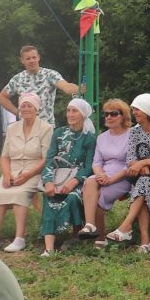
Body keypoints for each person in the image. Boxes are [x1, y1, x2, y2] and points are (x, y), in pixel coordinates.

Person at [101, 94, 150, 252]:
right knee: (142, 186)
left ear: (148, 110)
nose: (134, 112)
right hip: (144, 179)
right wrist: (139, 165)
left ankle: (128, 229)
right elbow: (130, 158)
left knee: (142, 186)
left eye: (138, 109)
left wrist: (142, 163)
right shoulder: (135, 132)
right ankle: (143, 242)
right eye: (133, 109)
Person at [0, 93, 51, 252]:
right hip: (13, 169)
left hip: (34, 170)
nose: (26, 109)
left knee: (19, 195)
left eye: (30, 106)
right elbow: (4, 156)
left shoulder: (46, 128)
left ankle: (19, 238)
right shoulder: (12, 128)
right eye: (23, 106)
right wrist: (7, 174)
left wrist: (27, 176)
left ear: (37, 109)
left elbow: (45, 159)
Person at [36, 98, 97, 255]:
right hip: (57, 178)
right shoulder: (59, 133)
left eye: (74, 111)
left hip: (78, 180)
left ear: (83, 114)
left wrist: (74, 181)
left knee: (71, 197)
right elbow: (49, 159)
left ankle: (76, 234)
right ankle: (49, 248)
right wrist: (48, 181)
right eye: (68, 110)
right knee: (49, 196)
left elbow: (89, 165)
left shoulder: (89, 138)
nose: (70, 114)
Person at [79, 98, 133, 240]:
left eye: (114, 113)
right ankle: (90, 225)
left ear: (123, 116)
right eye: (106, 114)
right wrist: (100, 175)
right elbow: (96, 161)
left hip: (122, 176)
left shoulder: (132, 135)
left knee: (97, 198)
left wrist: (111, 179)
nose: (109, 117)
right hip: (103, 174)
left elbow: (130, 164)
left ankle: (100, 239)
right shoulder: (102, 137)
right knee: (90, 183)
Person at [0, 44, 79, 121]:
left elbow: (66, 87)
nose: (32, 61)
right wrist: (18, 112)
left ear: (38, 57)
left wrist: (79, 89)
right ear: (22, 60)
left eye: (34, 57)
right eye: (28, 58)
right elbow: (2, 97)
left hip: (46, 127)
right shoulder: (17, 79)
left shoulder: (50, 74)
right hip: (24, 128)